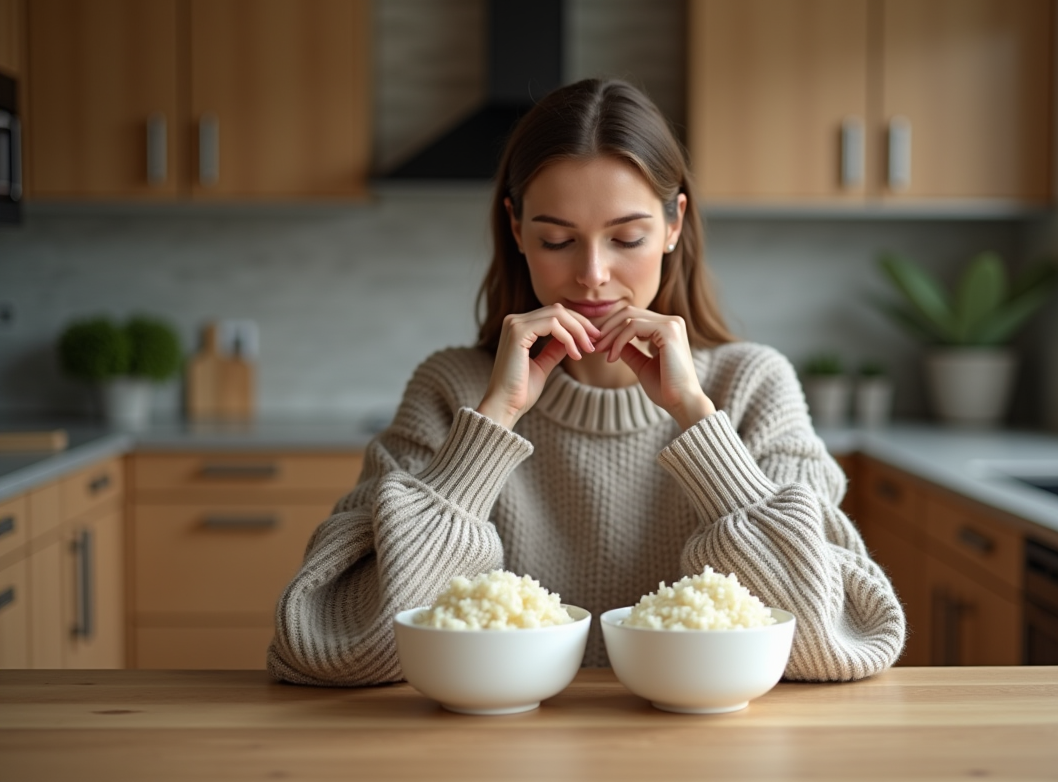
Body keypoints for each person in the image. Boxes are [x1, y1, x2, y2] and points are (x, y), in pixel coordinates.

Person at [268, 79, 905, 686]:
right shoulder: (452, 389)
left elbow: (835, 643)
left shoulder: (753, 386)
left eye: (627, 237)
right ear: (516, 228)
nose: (593, 274)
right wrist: (490, 426)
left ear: (674, 225)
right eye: (557, 240)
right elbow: (332, 647)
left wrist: (697, 420)